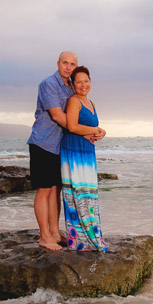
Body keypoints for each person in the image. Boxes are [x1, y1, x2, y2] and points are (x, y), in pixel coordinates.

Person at [26, 51, 105, 250]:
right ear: (58, 63)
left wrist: (87, 131)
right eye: (65, 63)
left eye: (72, 64)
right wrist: (86, 133)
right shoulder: (48, 84)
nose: (68, 67)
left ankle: (54, 232)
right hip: (43, 143)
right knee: (44, 190)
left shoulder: (71, 87)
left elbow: (77, 117)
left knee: (56, 190)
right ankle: (44, 236)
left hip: (60, 146)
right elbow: (60, 117)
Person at [61, 66, 108, 252]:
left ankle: (91, 236)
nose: (83, 85)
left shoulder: (91, 103)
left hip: (87, 152)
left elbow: (89, 128)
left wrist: (101, 132)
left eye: (86, 81)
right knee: (77, 194)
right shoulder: (74, 101)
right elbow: (72, 126)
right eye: (78, 81)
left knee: (89, 194)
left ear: (90, 82)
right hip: (74, 151)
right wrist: (96, 131)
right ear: (72, 84)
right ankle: (78, 241)